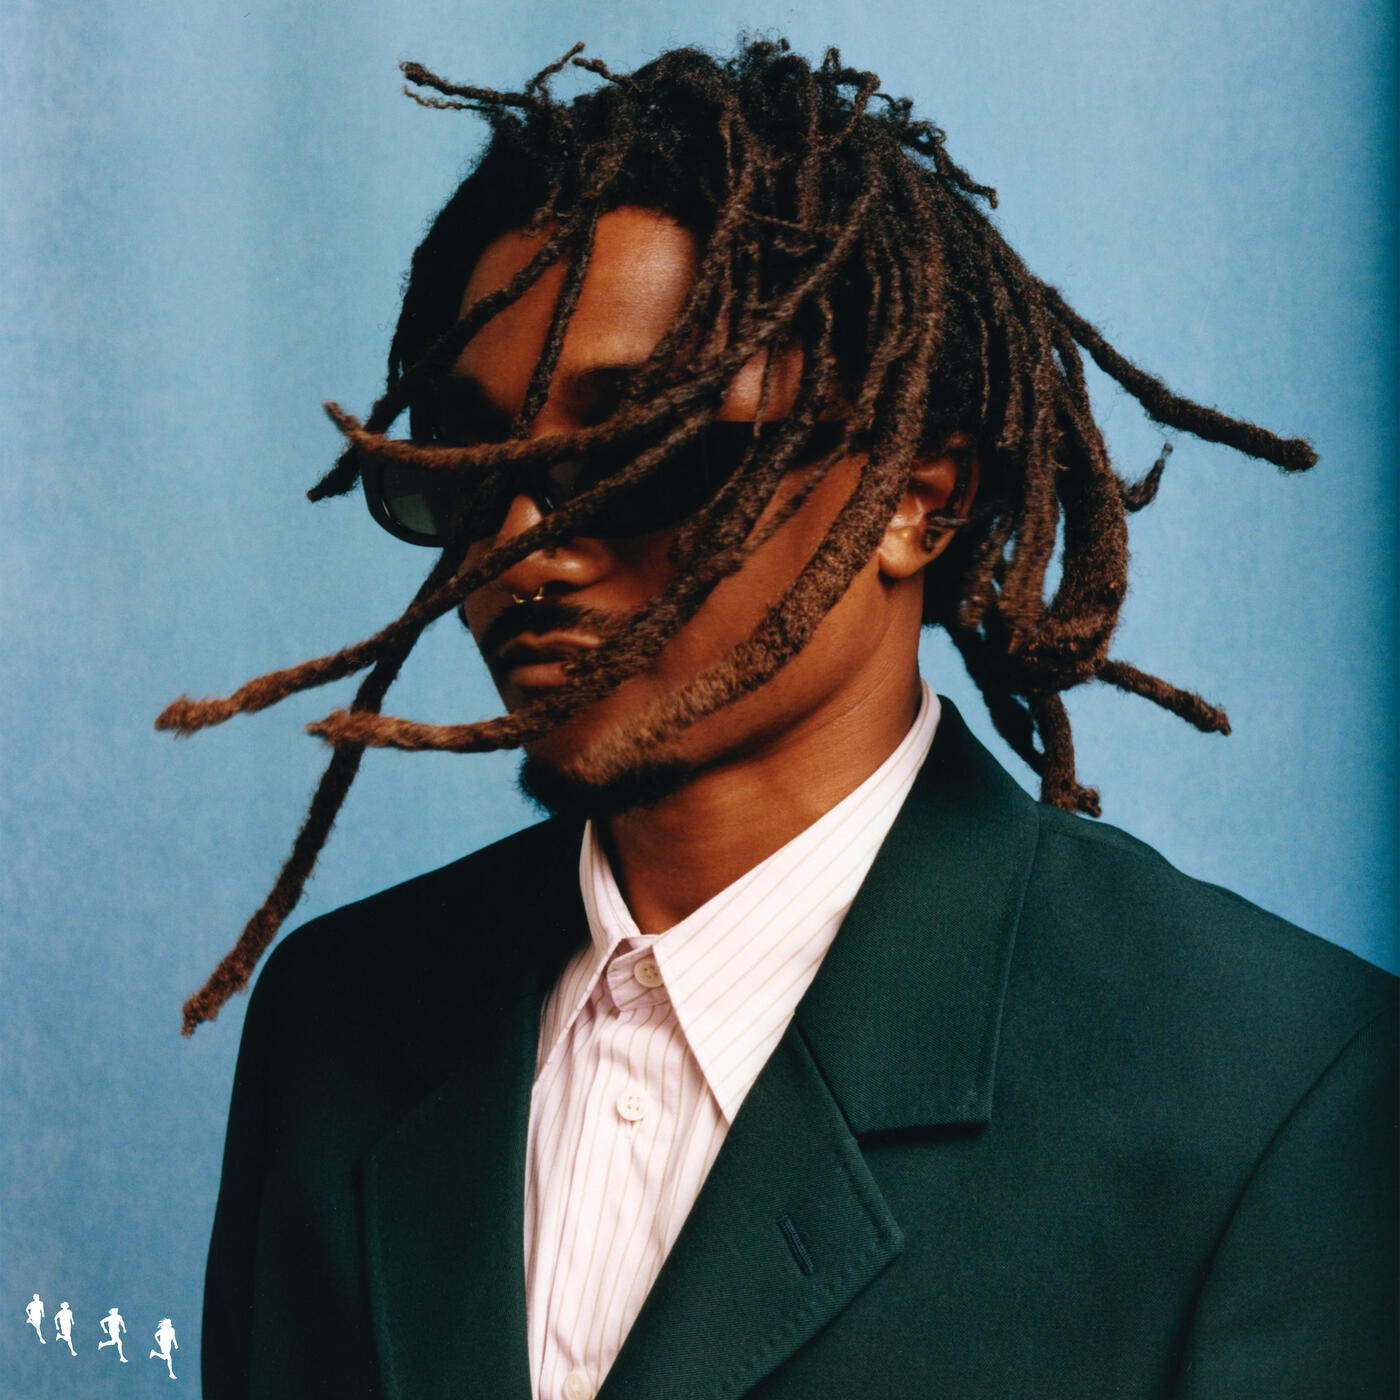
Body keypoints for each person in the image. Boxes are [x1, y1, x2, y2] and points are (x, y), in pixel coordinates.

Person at [175, 40, 1397, 1400]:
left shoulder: (1286, 1086)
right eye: (465, 471)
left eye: (643, 449)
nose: (522, 545)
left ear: (916, 498)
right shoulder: (339, 1022)